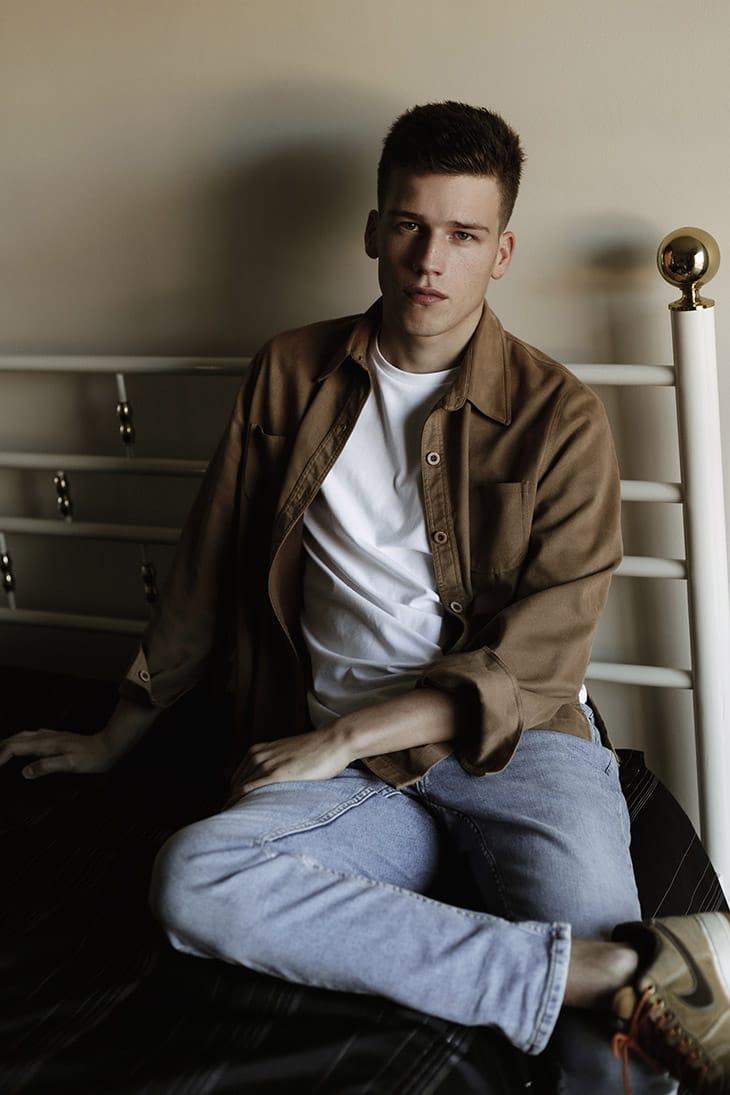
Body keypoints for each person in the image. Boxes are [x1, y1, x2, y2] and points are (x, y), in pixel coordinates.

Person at [2, 102, 729, 1094]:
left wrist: (342, 736)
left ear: (501, 252)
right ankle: (601, 971)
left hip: (519, 751)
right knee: (196, 877)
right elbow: (204, 571)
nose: (430, 260)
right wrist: (110, 737)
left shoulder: (560, 416)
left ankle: (598, 981)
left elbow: (539, 659)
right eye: (410, 225)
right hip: (353, 779)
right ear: (374, 230)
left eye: (463, 235)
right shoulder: (288, 373)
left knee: (615, 1056)